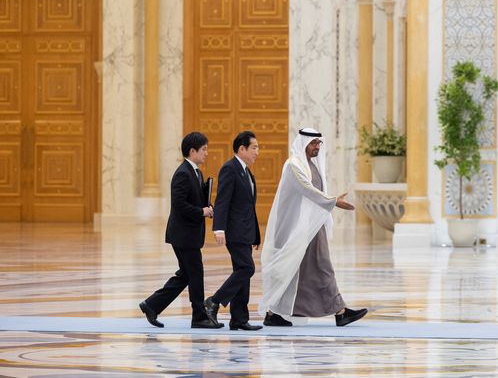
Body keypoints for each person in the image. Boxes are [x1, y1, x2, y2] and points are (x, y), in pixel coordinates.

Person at [260, 127, 367, 327]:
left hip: (311, 227)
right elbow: (306, 190)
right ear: (303, 144)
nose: (317, 147)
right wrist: (334, 201)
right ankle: (274, 312)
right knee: (297, 268)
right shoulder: (294, 166)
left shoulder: (310, 165)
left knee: (313, 268)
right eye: (313, 144)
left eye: (319, 143)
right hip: (295, 228)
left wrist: (331, 202)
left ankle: (337, 310)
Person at [139, 132, 221, 329]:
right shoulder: (183, 173)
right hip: (183, 235)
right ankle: (199, 317)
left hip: (189, 234)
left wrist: (207, 208)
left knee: (186, 274)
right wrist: (201, 211)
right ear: (192, 151)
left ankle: (151, 305)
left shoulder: (196, 172)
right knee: (195, 273)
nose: (207, 153)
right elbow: (179, 205)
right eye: (204, 150)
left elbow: (194, 201)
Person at [204, 131, 263, 331]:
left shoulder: (246, 171)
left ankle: (239, 318)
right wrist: (219, 228)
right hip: (234, 231)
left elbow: (248, 207)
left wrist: (255, 234)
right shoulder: (230, 169)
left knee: (242, 272)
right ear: (241, 149)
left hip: (245, 232)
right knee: (247, 269)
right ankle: (213, 301)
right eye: (254, 147)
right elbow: (222, 200)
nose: (258, 152)